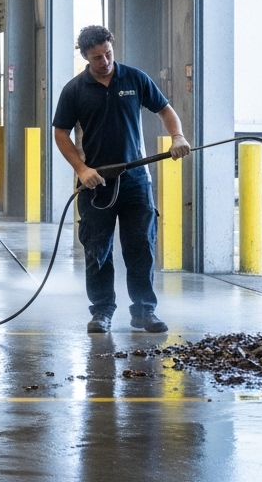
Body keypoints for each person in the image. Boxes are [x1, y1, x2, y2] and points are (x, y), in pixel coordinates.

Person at [53, 25, 191, 334]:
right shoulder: (75, 90)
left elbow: (166, 111)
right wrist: (81, 169)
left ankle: (144, 311)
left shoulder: (135, 78)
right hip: (95, 184)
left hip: (135, 181)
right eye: (97, 57)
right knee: (97, 250)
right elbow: (60, 133)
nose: (104, 61)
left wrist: (177, 135)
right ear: (85, 57)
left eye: (108, 54)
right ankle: (101, 311)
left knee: (141, 247)